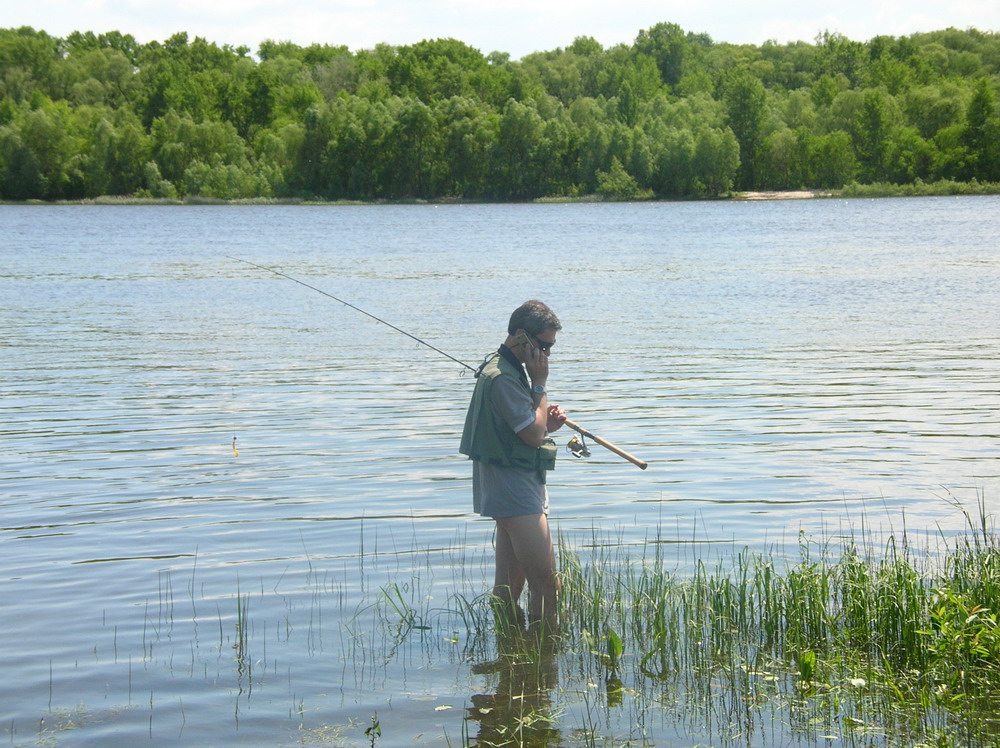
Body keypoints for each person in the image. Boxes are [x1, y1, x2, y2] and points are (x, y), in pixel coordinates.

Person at [460, 300, 567, 630]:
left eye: (550, 347)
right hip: (513, 486)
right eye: (544, 345)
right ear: (521, 335)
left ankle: (510, 652)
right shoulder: (505, 377)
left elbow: (524, 430)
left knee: (509, 588)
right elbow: (532, 437)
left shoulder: (505, 367)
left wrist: (545, 424)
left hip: (511, 480)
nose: (546, 354)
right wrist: (540, 384)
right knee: (547, 584)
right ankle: (545, 653)